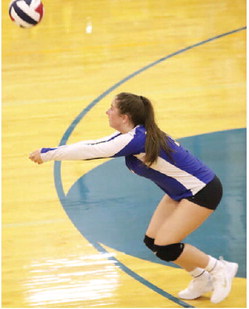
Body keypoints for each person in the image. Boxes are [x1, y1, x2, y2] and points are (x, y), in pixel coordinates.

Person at [29, 92, 238, 304]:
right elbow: (94, 143)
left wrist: (47, 154)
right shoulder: (133, 137)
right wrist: (51, 152)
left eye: (111, 108)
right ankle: (201, 277)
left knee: (166, 245)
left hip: (202, 190)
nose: (107, 112)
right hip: (178, 193)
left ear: (125, 117)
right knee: (153, 242)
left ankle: (219, 268)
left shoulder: (136, 139)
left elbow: (91, 151)